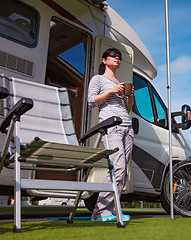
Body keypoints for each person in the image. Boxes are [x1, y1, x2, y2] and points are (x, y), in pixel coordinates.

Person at [87, 48, 134, 222]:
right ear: (104, 60)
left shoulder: (119, 82)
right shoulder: (98, 79)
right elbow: (91, 101)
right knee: (118, 168)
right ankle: (99, 212)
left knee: (123, 172)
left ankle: (112, 210)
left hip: (127, 127)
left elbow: (127, 110)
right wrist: (111, 91)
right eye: (114, 56)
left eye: (119, 57)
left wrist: (130, 99)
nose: (117, 59)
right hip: (111, 126)